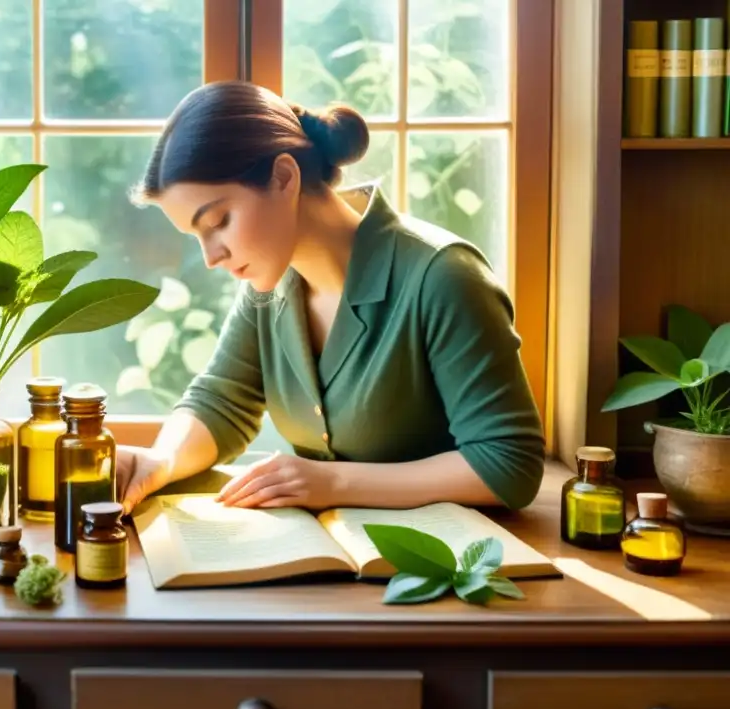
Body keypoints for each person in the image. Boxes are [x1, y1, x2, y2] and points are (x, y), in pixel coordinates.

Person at [117, 80, 545, 515]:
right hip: (325, 567)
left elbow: (508, 462)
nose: (211, 257)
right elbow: (221, 402)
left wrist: (333, 482)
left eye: (219, 220)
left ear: (284, 177)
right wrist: (161, 460)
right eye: (197, 237)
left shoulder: (443, 276)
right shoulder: (269, 288)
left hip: (441, 563)